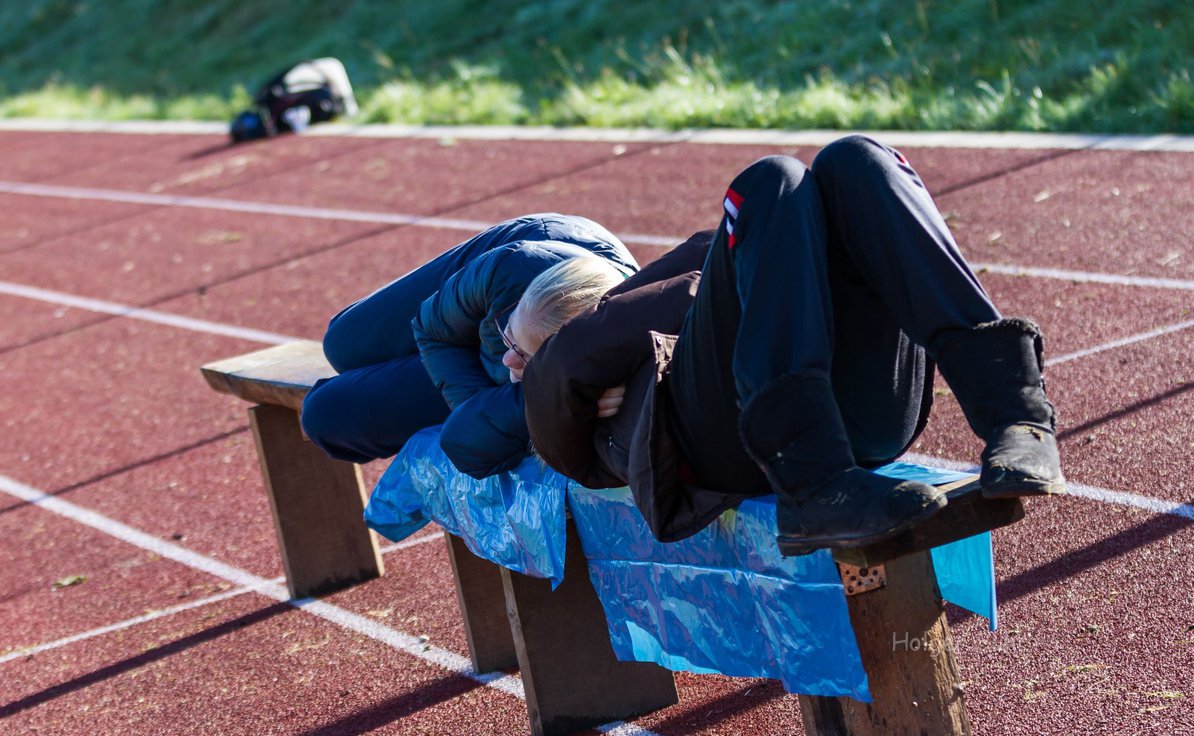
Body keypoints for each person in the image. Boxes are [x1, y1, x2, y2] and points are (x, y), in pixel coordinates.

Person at [515, 135, 1065, 555]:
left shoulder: (617, 339)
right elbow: (545, 380)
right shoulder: (563, 389)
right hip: (737, 451)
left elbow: (718, 249)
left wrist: (735, 271)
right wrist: (597, 354)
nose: (507, 360)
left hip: (865, 422)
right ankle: (816, 486)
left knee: (856, 159)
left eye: (515, 345)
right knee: (770, 179)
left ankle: (1015, 415)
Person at [300, 214, 636, 478]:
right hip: (528, 255)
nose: (508, 358)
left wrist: (532, 403)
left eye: (521, 355)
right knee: (342, 345)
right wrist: (478, 405)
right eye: (509, 339)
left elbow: (466, 447)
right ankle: (512, 342)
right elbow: (432, 329)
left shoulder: (599, 372)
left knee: (325, 415)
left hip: (529, 345)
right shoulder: (510, 267)